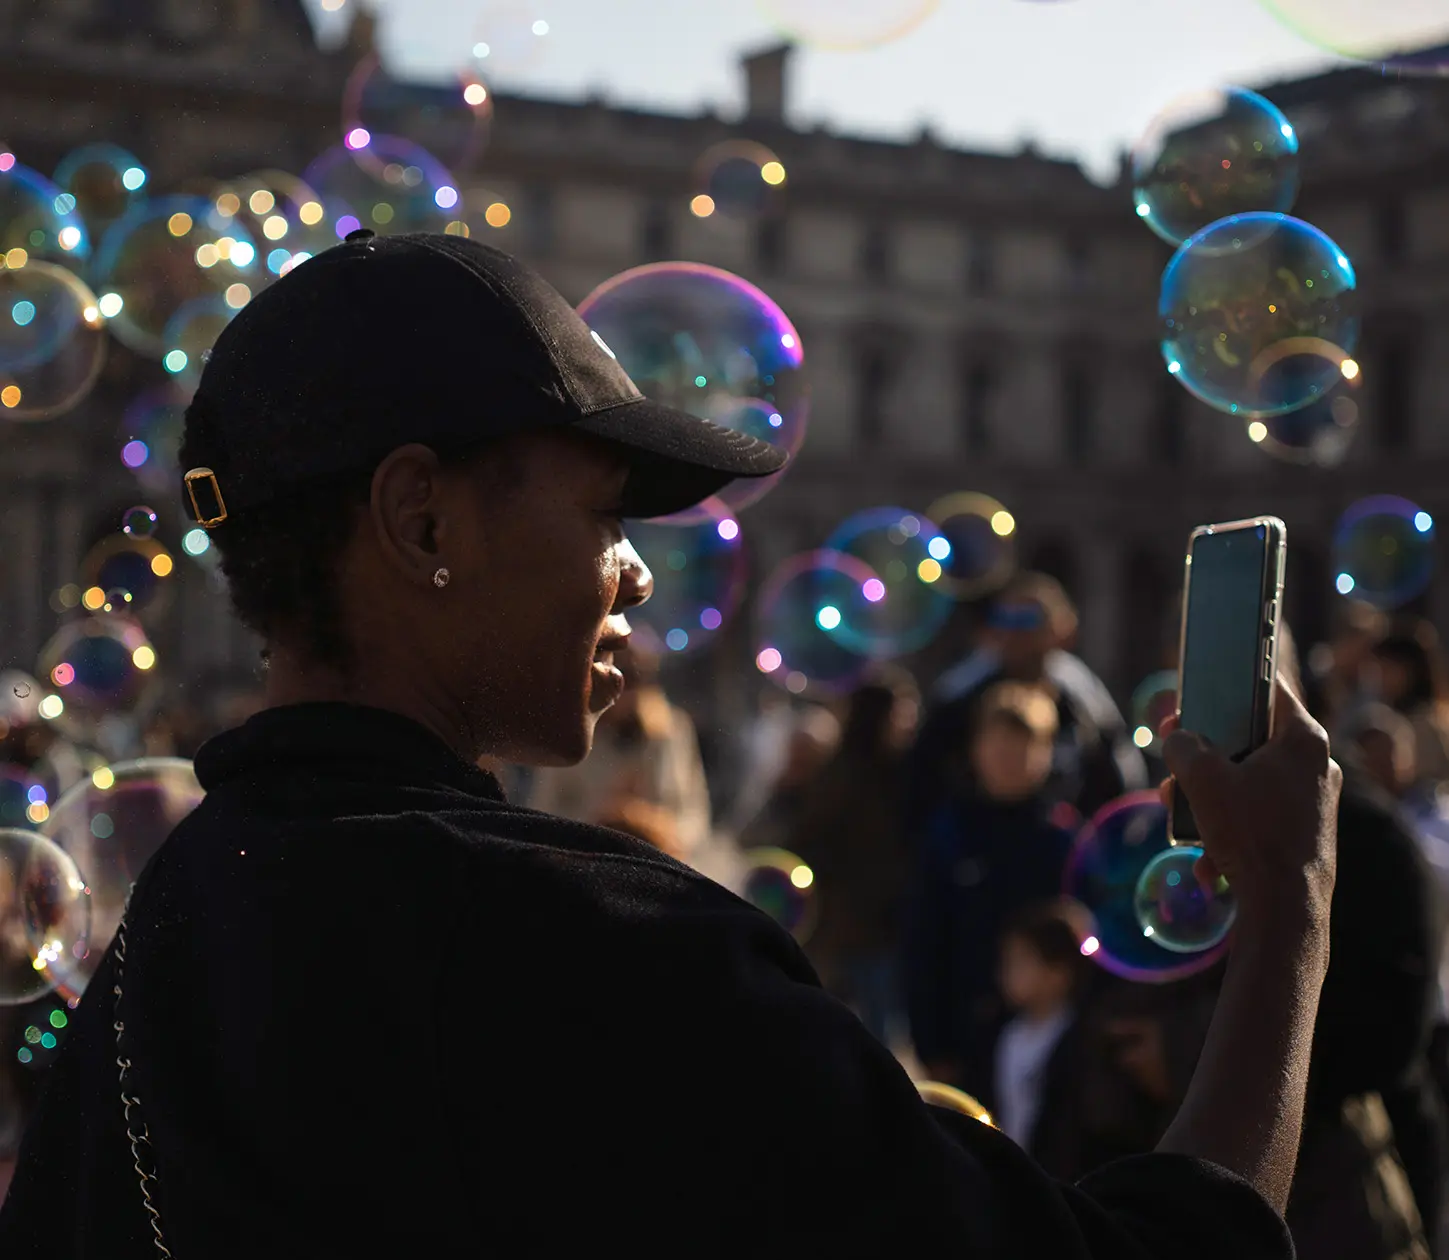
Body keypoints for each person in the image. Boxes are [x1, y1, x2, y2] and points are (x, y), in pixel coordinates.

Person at [0, 231, 1339, 1256]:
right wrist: (1288, 906)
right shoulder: (598, 955)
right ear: (420, 522)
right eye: (604, 517)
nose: (636, 578)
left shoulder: (159, 945)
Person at [905, 682, 1085, 1103]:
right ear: (976, 749)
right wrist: (930, 1041)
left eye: (1025, 747)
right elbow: (922, 939)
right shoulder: (948, 833)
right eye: (1000, 745)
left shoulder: (1064, 836)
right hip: (962, 1032)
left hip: (1047, 1037)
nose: (1010, 759)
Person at [908, 572, 1147, 837]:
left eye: (1027, 620)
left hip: (1059, 851)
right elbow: (922, 779)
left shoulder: (1083, 699)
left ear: (1062, 629)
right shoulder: (960, 695)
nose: (1013, 632)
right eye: (1004, 619)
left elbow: (1120, 774)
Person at [786, 670, 918, 1045]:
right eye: (900, 714)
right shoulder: (843, 779)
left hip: (883, 931)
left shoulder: (902, 776)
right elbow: (809, 849)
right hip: (852, 936)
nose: (908, 723)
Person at [527, 648, 712, 864]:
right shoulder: (568, 734)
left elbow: (694, 814)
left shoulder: (669, 732)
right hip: (584, 862)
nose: (621, 691)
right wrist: (603, 821)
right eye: (613, 676)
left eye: (633, 679)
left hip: (656, 863)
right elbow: (543, 812)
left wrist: (657, 827)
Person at [992, 899, 1090, 1175]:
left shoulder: (1075, 1038)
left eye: (1020, 962)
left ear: (1058, 973)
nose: (1006, 974)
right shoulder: (1008, 1034)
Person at [1370, 620, 1449, 792]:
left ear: (1409, 670)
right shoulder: (1388, 716)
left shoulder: (1425, 726)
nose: (1380, 678)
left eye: (1386, 669)